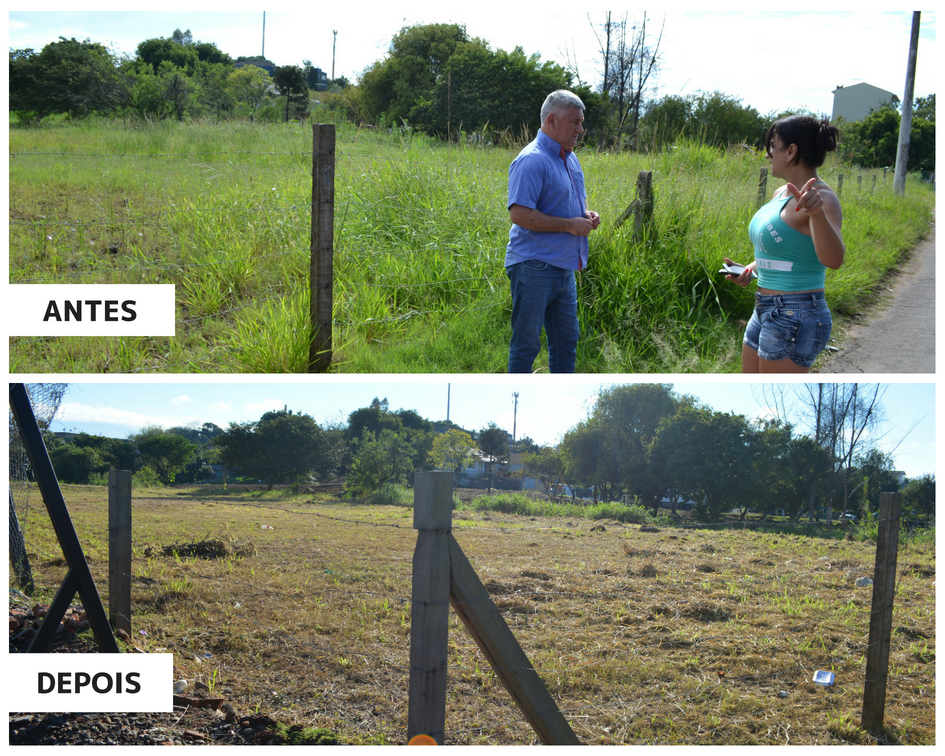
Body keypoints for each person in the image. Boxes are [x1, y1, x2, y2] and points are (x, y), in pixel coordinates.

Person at [725, 115, 845, 373]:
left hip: (797, 314)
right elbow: (785, 251)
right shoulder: (781, 193)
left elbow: (833, 260)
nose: (767, 154)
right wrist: (750, 269)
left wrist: (817, 214)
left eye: (772, 146)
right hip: (765, 309)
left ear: (791, 151)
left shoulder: (823, 199)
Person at [505, 89, 601, 373]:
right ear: (551, 121)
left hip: (564, 267)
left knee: (566, 341)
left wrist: (585, 216)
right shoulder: (531, 160)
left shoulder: (569, 158)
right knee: (526, 345)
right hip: (533, 266)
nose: (580, 129)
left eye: (581, 122)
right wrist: (570, 225)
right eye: (574, 122)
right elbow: (519, 214)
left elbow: (563, 203)